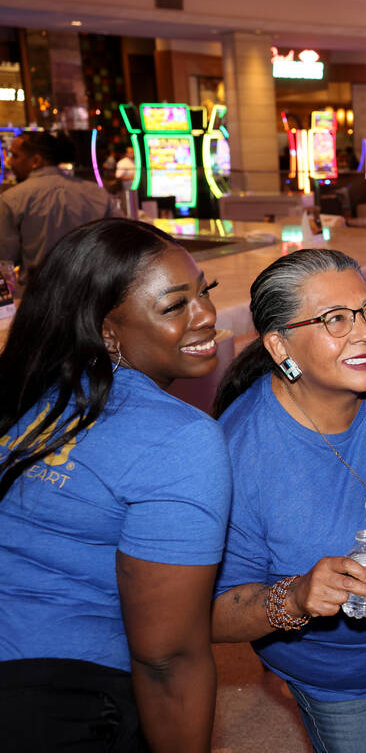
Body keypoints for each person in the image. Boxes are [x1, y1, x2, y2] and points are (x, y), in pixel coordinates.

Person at [0, 217, 232, 751]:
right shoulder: (180, 439)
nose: (208, 316)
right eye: (175, 306)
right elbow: (166, 657)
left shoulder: (26, 386)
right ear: (108, 332)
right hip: (55, 698)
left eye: (206, 292)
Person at [211, 248, 366, 753]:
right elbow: (211, 613)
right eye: (334, 320)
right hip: (334, 674)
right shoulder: (238, 454)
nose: (365, 332)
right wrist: (295, 596)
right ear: (280, 345)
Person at [0, 132, 116, 282]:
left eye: (15, 156)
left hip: (39, 294)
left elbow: (4, 258)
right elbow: (118, 243)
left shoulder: (12, 198)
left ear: (36, 160)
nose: (10, 162)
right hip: (92, 291)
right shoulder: (97, 193)